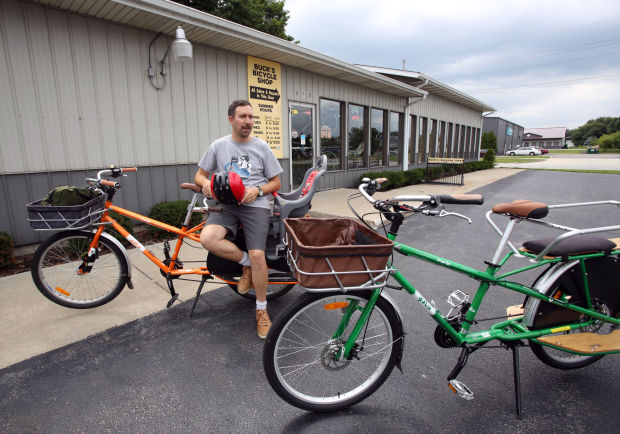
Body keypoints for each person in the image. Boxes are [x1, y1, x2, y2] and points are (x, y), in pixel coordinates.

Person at [195, 99, 282, 339]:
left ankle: (262, 311)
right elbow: (200, 174)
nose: (248, 122)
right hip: (226, 204)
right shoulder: (218, 146)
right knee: (208, 239)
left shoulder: (262, 147)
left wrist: (259, 190)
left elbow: (276, 182)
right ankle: (246, 266)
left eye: (251, 117)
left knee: (258, 256)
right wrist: (206, 186)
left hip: (255, 204)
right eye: (243, 117)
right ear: (231, 120)